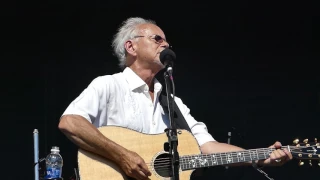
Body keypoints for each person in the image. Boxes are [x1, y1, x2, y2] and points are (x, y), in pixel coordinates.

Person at [58, 17, 292, 180]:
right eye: (157, 39)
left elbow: (208, 147)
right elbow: (70, 122)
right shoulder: (109, 85)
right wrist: (122, 155)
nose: (166, 44)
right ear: (131, 46)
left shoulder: (173, 104)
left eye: (166, 41)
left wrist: (262, 157)